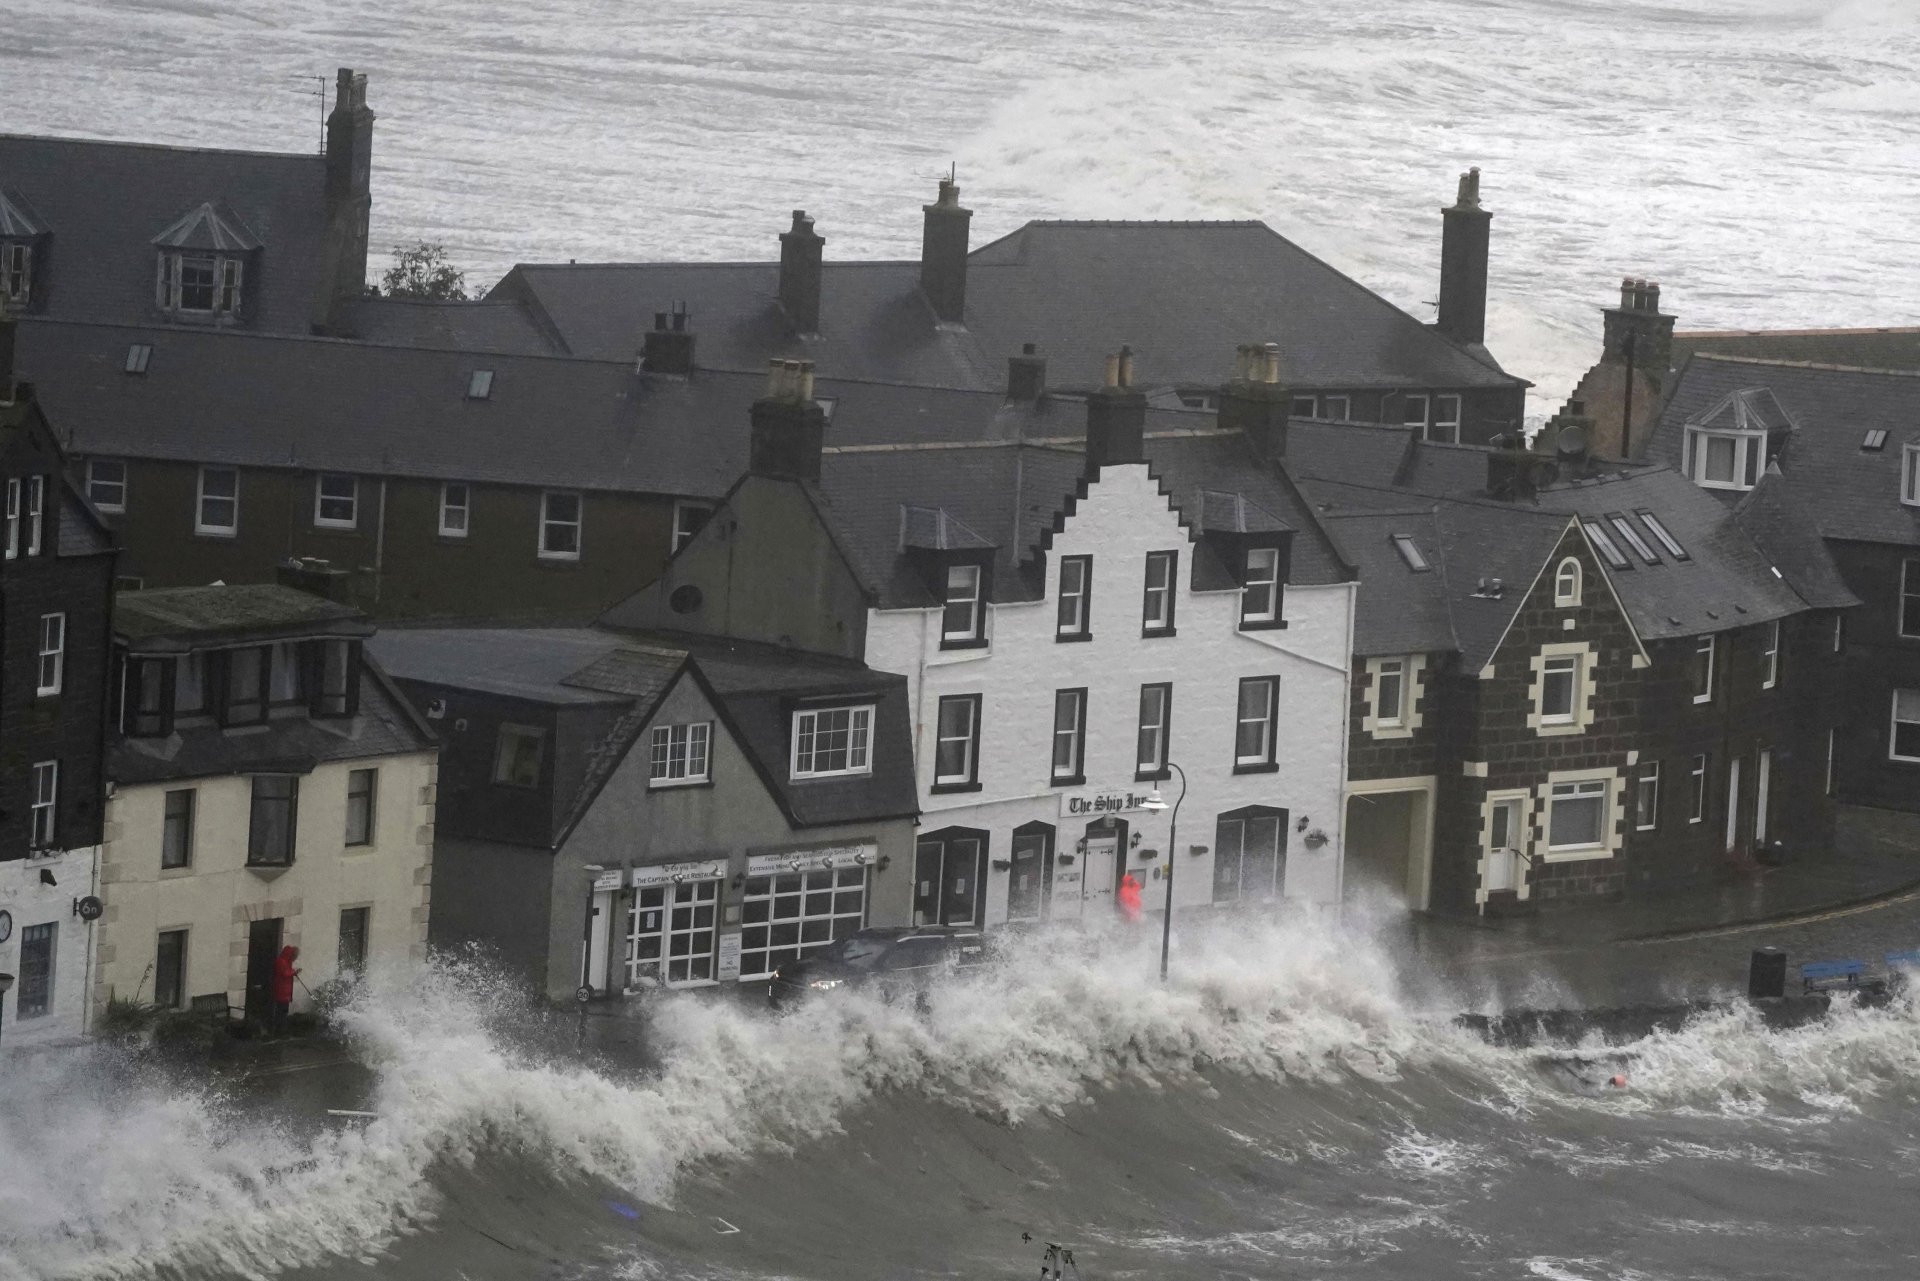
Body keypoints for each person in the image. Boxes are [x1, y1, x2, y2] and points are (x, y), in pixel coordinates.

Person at [271, 945, 300, 1035]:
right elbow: (285, 973)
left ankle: (281, 1029)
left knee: (283, 1011)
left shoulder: (286, 962)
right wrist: (294, 972)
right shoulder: (281, 962)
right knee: (281, 1012)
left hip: (285, 992)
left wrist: (293, 972)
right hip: (281, 992)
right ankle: (278, 1030)